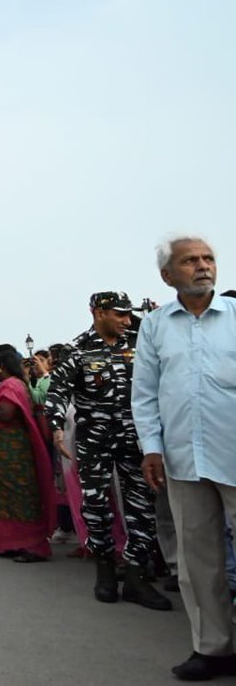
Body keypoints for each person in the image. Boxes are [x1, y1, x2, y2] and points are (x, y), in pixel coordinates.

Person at [133, 236, 236, 681]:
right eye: (190, 260)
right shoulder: (154, 326)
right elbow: (145, 393)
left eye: (208, 258)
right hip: (181, 457)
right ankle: (213, 648)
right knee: (197, 559)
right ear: (167, 275)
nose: (202, 266)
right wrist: (151, 447)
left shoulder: (235, 318)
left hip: (232, 452)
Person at [45, 291, 170, 610]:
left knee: (141, 506)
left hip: (136, 440)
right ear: (98, 313)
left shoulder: (141, 343)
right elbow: (57, 392)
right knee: (96, 504)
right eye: (120, 314)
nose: (127, 320)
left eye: (129, 314)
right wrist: (57, 426)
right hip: (94, 440)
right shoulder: (77, 350)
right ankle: (104, 569)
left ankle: (135, 575)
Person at [0, 348, 57, 563]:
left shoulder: (12, 385)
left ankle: (32, 545)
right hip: (2, 453)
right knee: (4, 498)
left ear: (1, 367)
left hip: (12, 452)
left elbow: (6, 415)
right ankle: (9, 543)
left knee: (21, 497)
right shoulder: (14, 384)